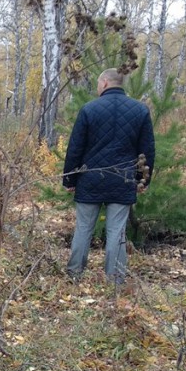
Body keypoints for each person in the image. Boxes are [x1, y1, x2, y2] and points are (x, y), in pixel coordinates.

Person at [63, 68, 155, 284]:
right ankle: (115, 280)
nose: (97, 88)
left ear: (104, 82)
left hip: (90, 179)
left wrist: (69, 178)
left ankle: (74, 275)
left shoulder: (88, 109)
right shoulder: (140, 111)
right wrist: (143, 180)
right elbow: (147, 150)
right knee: (117, 232)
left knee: (83, 228)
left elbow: (75, 148)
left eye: (97, 84)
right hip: (123, 180)